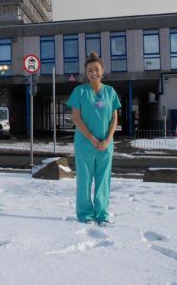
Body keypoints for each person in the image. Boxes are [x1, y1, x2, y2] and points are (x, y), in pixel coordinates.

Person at [67, 51, 121, 226]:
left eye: (96, 69)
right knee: (84, 179)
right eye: (90, 70)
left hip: (106, 144)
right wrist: (91, 138)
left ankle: (102, 214)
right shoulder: (79, 91)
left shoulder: (110, 92)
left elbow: (114, 118)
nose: (93, 72)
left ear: (102, 71)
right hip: (85, 143)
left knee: (103, 180)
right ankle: (85, 214)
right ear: (86, 73)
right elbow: (76, 118)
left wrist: (108, 139)